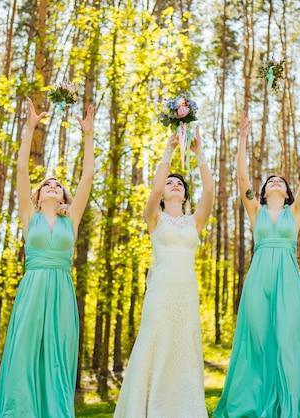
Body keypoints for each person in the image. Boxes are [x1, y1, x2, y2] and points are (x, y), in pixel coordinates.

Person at [0, 98, 95, 417]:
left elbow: (87, 177)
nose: (52, 186)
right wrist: (29, 128)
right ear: (37, 195)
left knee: (57, 358)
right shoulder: (28, 215)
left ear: (64, 197)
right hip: (32, 290)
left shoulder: (71, 219)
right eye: (46, 184)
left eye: (58, 185)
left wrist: (88, 136)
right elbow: (21, 169)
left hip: (61, 292)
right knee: (23, 355)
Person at [214, 111, 300, 418]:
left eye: (281, 181)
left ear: (287, 194)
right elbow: (242, 179)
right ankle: (253, 399)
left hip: (287, 279)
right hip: (259, 280)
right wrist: (244, 137)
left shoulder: (296, 210)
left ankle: (289, 402)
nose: (275, 181)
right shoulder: (254, 209)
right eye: (270, 180)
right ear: (262, 193)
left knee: (288, 338)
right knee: (257, 338)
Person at [114, 127, 214, 417]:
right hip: (161, 292)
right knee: (155, 343)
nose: (174, 185)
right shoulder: (154, 219)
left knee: (184, 347)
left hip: (187, 295)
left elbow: (208, 191)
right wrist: (169, 151)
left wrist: (199, 153)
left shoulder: (195, 222)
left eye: (179, 184)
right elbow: (155, 188)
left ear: (184, 195)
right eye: (170, 182)